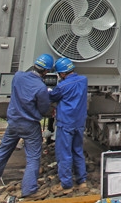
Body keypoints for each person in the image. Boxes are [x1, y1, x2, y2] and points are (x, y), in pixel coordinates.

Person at [0, 54, 54, 199]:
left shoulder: (18, 76)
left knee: (2, 154)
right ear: (45, 72)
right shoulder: (40, 88)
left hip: (13, 123)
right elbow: (44, 108)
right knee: (33, 157)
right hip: (30, 125)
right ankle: (29, 190)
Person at [48, 57, 88, 195]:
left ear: (62, 74)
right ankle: (82, 181)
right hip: (79, 122)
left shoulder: (62, 86)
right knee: (77, 150)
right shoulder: (83, 80)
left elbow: (52, 97)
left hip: (66, 123)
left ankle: (66, 184)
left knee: (64, 153)